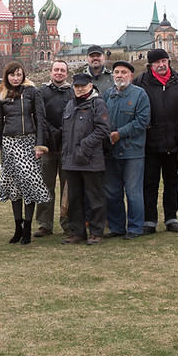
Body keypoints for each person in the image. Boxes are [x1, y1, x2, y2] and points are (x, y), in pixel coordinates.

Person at [0, 61, 50, 245]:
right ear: (7, 76)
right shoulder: (1, 94)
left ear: (23, 75)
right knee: (14, 186)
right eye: (12, 75)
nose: (16, 78)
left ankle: (28, 229)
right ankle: (18, 228)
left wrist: (40, 145)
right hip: (9, 143)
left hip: (29, 143)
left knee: (29, 184)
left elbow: (40, 119)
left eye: (19, 74)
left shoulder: (32, 92)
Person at [134, 49, 178, 234]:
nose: (162, 65)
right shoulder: (141, 82)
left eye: (164, 60)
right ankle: (149, 220)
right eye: (157, 62)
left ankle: (171, 217)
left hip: (173, 142)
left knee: (172, 182)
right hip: (149, 143)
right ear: (150, 65)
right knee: (149, 183)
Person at [60, 74, 111, 245]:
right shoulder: (69, 105)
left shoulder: (98, 104)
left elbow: (103, 130)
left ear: (90, 86)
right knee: (74, 199)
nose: (79, 89)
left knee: (95, 198)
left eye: (83, 86)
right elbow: (66, 133)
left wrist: (84, 146)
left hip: (91, 160)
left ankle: (96, 232)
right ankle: (77, 232)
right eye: (76, 86)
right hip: (71, 161)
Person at [103, 61, 150, 239]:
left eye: (124, 72)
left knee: (133, 191)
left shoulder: (140, 95)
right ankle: (116, 227)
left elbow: (142, 121)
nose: (119, 75)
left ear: (131, 75)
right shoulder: (108, 95)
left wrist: (119, 134)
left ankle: (135, 227)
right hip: (111, 152)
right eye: (116, 72)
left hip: (132, 152)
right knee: (112, 192)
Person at [34, 60, 73, 237]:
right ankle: (45, 223)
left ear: (66, 73)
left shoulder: (72, 92)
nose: (59, 73)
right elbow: (39, 117)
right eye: (56, 70)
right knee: (45, 186)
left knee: (68, 187)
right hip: (48, 146)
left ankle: (68, 222)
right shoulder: (42, 92)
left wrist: (63, 131)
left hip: (67, 147)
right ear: (50, 72)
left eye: (62, 70)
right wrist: (50, 132)